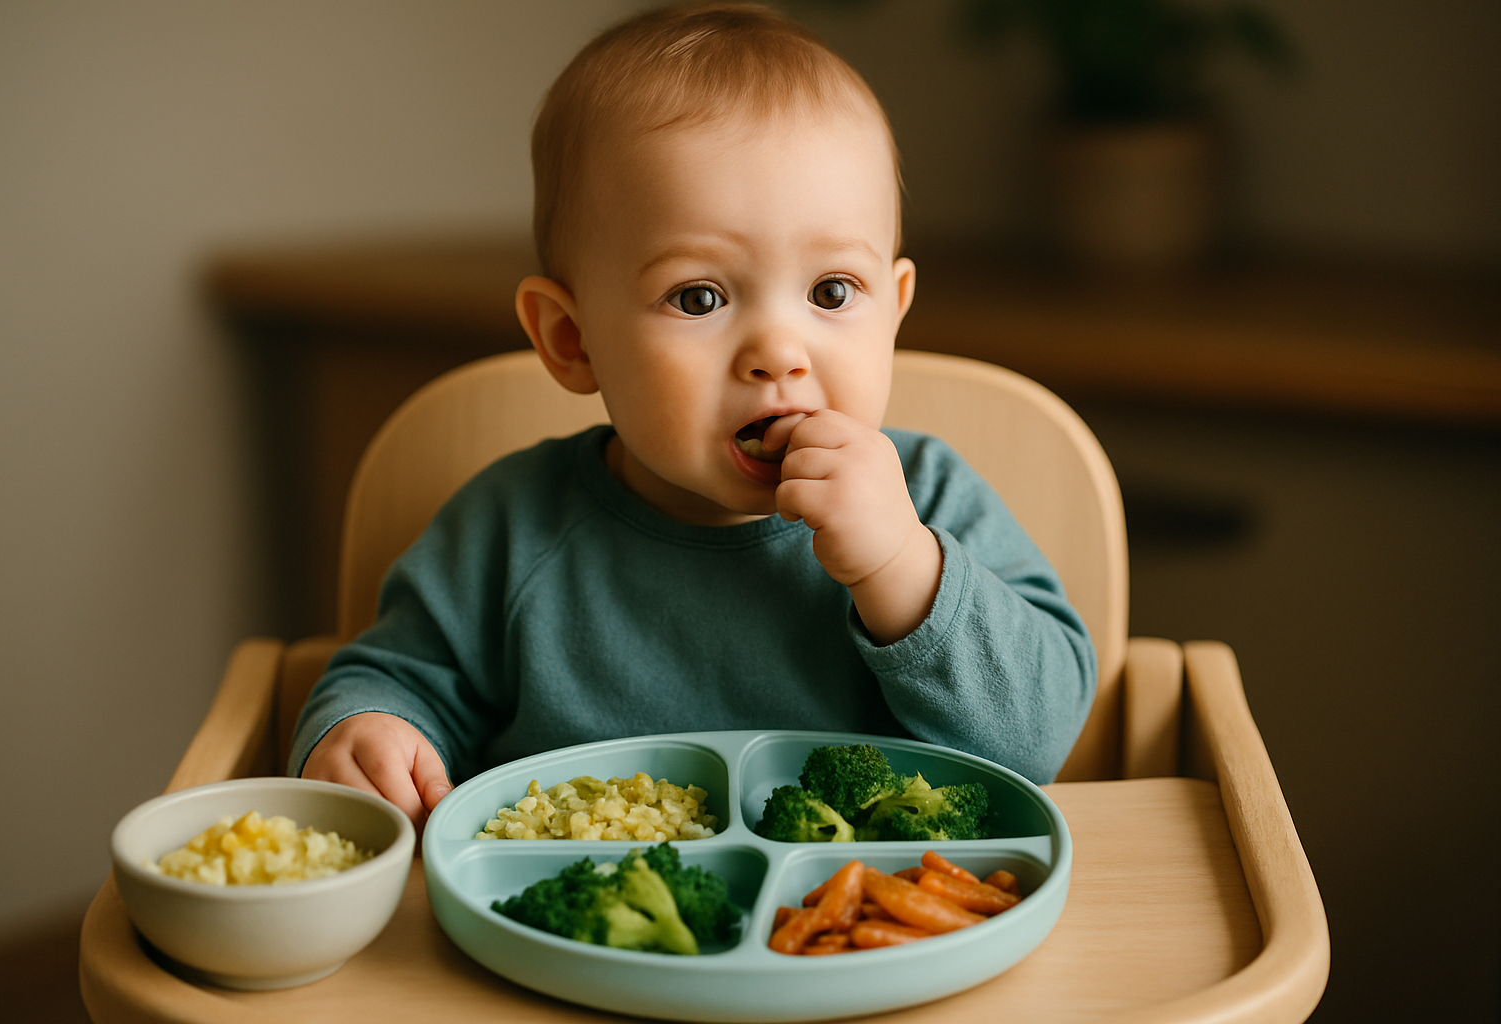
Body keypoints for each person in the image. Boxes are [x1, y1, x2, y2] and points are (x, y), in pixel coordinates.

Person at [291, 2, 1096, 830]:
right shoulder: (511, 530)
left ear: (891, 312)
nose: (779, 352)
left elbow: (1041, 736)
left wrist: (904, 568)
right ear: (573, 341)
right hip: (573, 944)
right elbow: (396, 677)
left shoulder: (929, 500)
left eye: (830, 292)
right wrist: (368, 732)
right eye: (699, 296)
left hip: (871, 932)